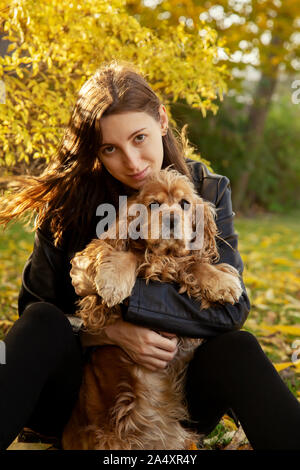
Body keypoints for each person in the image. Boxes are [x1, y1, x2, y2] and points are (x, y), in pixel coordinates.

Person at [0, 60, 299, 451]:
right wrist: (107, 332)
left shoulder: (207, 191)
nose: (133, 162)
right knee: (41, 322)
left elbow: (231, 310)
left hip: (173, 394)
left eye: (139, 137)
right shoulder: (69, 202)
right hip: (81, 399)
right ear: (96, 151)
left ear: (161, 119)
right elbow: (36, 310)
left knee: (238, 346)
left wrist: (136, 305)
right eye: (110, 148)